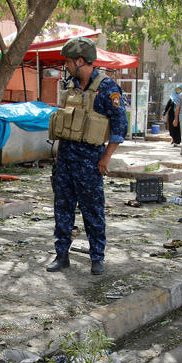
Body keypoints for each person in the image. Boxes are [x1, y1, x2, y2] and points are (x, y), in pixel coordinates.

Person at [45, 36, 127, 276]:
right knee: (63, 208)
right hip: (66, 159)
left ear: (80, 61)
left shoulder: (107, 88)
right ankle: (62, 255)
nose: (66, 65)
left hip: (90, 160)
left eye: (69, 61)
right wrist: (59, 157)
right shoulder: (70, 86)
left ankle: (97, 257)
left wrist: (106, 158)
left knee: (92, 211)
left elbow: (120, 127)